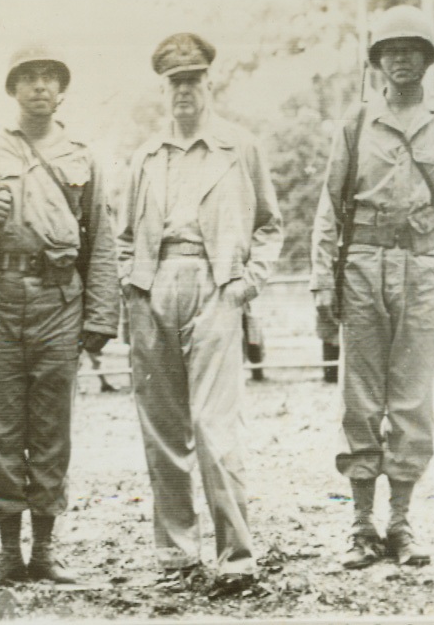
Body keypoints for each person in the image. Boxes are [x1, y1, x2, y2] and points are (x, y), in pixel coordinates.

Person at [0, 44, 119, 594]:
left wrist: (100, 315)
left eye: (49, 78)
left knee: (52, 427)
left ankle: (45, 551)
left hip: (60, 299)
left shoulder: (82, 156)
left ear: (61, 90)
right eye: (29, 78)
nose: (40, 86)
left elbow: (101, 239)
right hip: (0, 298)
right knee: (2, 428)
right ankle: (9, 553)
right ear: (12, 89)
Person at [310, 5, 434, 569]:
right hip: (362, 265)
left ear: (427, 59)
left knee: (412, 399)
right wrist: (321, 282)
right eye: (390, 51)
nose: (401, 60)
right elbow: (329, 206)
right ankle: (361, 525)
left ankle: (401, 524)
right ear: (377, 60)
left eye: (411, 50)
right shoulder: (357, 121)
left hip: (425, 267)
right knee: (359, 399)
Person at [117, 32, 284, 596]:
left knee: (215, 427)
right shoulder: (145, 156)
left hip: (216, 286)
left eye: (193, 80)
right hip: (154, 286)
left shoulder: (239, 148)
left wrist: (246, 283)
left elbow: (269, 225)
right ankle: (176, 554)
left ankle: (236, 556)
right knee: (163, 430)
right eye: (175, 83)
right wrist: (132, 285)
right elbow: (122, 235)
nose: (184, 91)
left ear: (209, 83)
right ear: (163, 89)